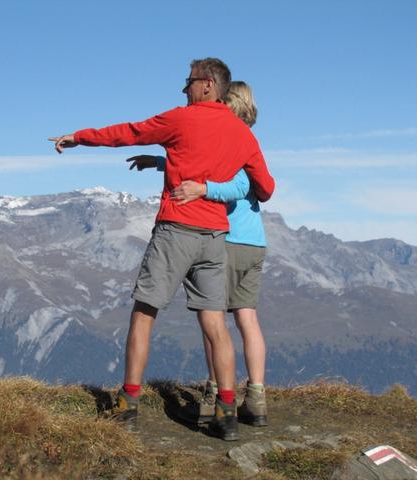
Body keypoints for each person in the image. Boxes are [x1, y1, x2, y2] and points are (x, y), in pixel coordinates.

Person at [49, 58, 275, 441]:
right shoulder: (242, 134)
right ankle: (226, 412)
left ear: (207, 85)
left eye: (188, 82)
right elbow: (265, 188)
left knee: (144, 313)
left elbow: (130, 132)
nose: (184, 89)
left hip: (175, 229)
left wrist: (78, 137)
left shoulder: (181, 119)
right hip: (216, 236)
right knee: (216, 325)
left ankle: (128, 402)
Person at [128, 81, 269, 427]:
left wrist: (203, 188)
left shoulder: (229, 138)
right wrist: (162, 162)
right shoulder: (244, 140)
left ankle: (214, 396)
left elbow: (227, 181)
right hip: (254, 239)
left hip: (227, 238)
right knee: (245, 319)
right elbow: (220, 170)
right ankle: (256, 397)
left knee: (212, 319)